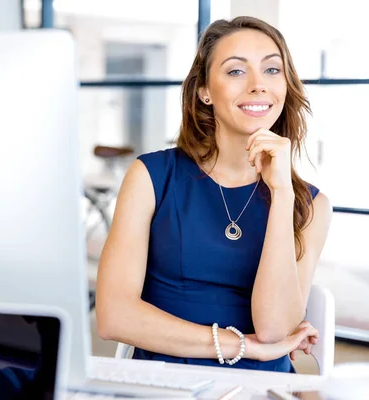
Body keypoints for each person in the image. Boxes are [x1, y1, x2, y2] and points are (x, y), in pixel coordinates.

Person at [95, 16, 333, 373]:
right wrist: (241, 346)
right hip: (163, 380)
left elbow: (274, 332)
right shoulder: (150, 177)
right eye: (236, 71)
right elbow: (113, 317)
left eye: (272, 70)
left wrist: (282, 194)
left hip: (259, 386)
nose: (258, 86)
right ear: (205, 90)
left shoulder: (310, 205)